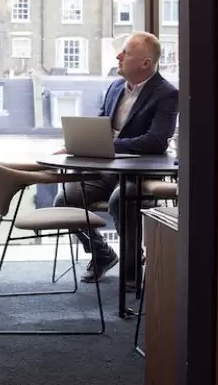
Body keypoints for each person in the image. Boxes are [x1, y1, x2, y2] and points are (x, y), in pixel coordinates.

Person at [52, 32, 178, 287]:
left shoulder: (166, 94)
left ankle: (132, 269)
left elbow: (155, 141)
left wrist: (109, 144)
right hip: (108, 170)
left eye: (126, 53)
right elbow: (100, 125)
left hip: (140, 174)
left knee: (120, 200)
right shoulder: (114, 87)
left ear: (145, 63)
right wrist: (81, 142)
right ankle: (102, 254)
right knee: (64, 199)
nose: (118, 56)